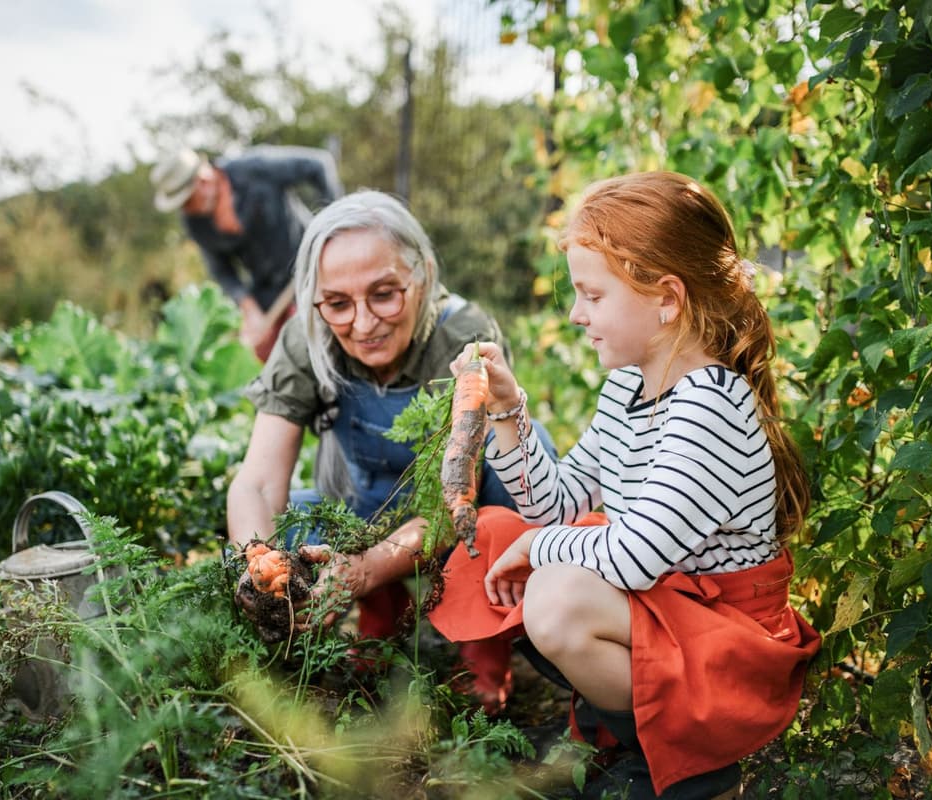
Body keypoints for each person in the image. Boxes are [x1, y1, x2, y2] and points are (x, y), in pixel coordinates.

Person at [430, 172, 821, 799]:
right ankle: (628, 735)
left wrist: (539, 551)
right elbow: (553, 505)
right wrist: (506, 409)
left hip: (728, 647)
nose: (575, 314)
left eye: (591, 295)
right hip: (673, 611)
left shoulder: (712, 408)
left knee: (554, 594)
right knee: (497, 536)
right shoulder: (632, 385)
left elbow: (633, 560)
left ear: (666, 298)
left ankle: (696, 771)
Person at [226, 190, 555, 713]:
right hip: (363, 505)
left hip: (457, 513)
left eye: (384, 295)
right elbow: (259, 482)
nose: (362, 323)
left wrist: (362, 569)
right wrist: (258, 568)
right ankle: (379, 619)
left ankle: (484, 642)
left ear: (422, 273)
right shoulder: (305, 339)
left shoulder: (464, 339)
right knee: (295, 525)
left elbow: (450, 505)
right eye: (337, 303)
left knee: (512, 495)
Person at [151, 145, 342, 361]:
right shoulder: (195, 223)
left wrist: (332, 226)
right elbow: (222, 272)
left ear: (203, 181)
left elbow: (319, 165)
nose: (186, 209)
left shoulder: (253, 168)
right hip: (267, 287)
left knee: (311, 336)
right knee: (260, 350)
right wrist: (250, 310)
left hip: (311, 264)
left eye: (187, 200)